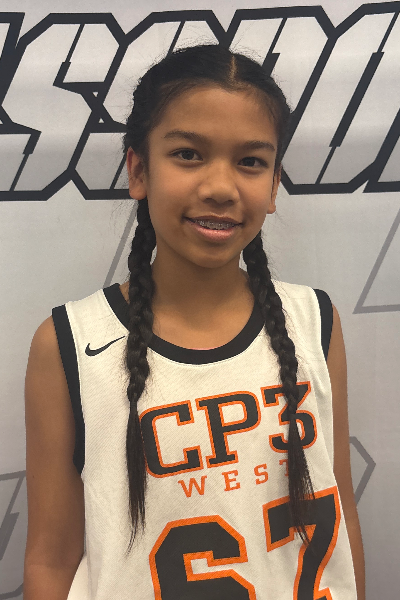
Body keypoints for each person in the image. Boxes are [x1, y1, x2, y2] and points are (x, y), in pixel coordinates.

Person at [23, 44, 365, 600]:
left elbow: (340, 511)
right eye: (188, 154)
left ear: (274, 184)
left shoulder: (315, 321)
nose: (221, 187)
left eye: (250, 161)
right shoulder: (68, 344)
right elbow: (50, 558)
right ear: (139, 170)